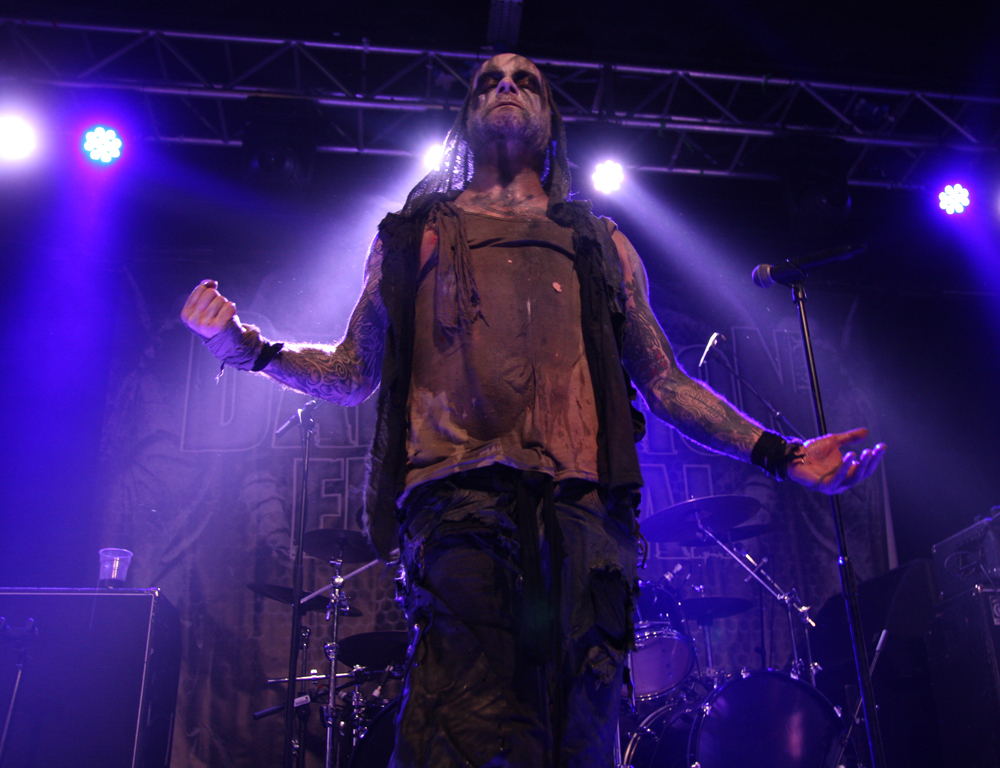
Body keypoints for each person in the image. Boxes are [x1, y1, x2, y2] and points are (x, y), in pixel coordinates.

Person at [181, 53, 885, 768]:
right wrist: (248, 348)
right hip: (459, 509)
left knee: (578, 740)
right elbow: (352, 371)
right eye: (489, 81)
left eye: (526, 81)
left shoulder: (600, 244)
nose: (506, 87)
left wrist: (783, 454)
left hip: (583, 519)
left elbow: (664, 382)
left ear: (550, 121)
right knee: (453, 737)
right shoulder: (415, 236)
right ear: (468, 118)